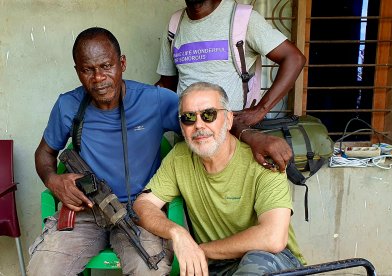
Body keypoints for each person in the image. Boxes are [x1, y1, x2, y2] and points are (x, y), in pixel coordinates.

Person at [28, 27, 293, 276]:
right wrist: (53, 180)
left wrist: (253, 136)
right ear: (77, 71)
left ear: (122, 63)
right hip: (86, 210)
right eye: (88, 70)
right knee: (42, 268)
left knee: (150, 270)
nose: (98, 78)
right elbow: (44, 153)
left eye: (106, 66)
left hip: (138, 215)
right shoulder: (67, 105)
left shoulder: (154, 100)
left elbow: (202, 118)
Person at [134, 82, 306, 275]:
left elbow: (273, 237)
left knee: (255, 262)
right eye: (188, 118)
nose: (199, 125)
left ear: (229, 120)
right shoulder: (179, 158)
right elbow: (143, 205)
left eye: (209, 114)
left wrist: (201, 250)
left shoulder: (263, 160)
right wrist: (178, 233)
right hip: (218, 265)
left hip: (274, 262)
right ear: (182, 127)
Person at [156, 0, 306, 127]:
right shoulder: (174, 24)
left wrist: (261, 110)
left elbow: (294, 58)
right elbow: (167, 84)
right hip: (188, 131)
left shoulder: (242, 19)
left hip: (233, 134)